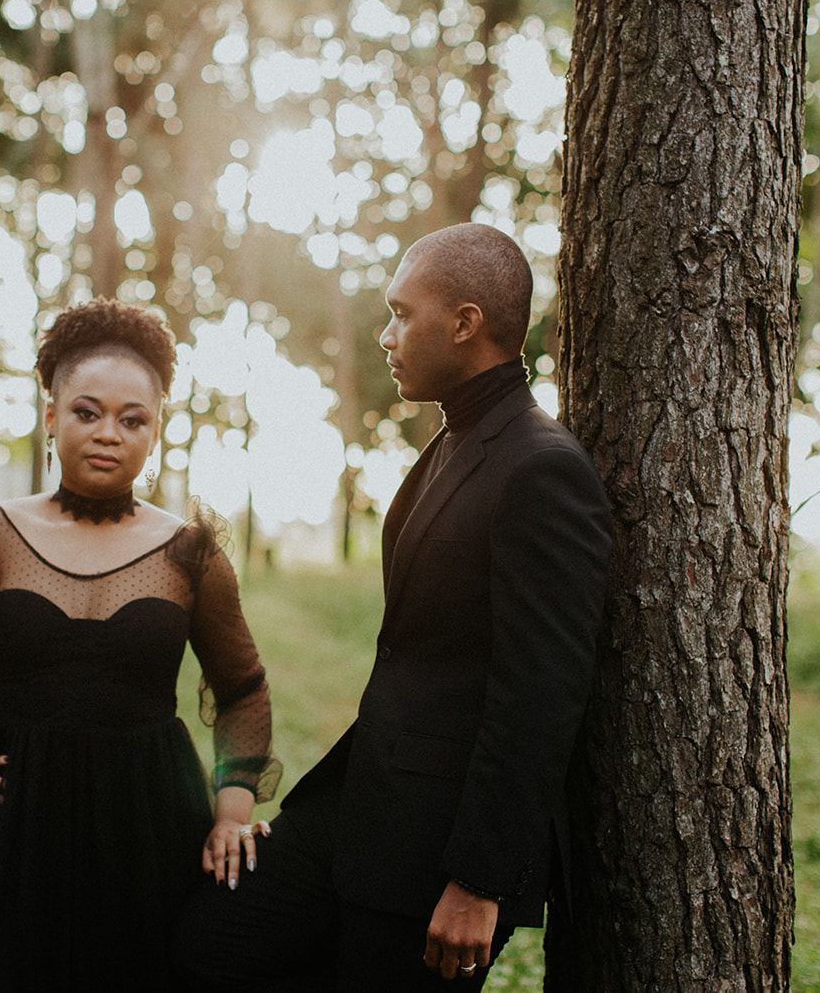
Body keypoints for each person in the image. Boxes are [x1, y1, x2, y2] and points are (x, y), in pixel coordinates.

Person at [175, 223, 613, 990]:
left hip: (438, 857)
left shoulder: (541, 470)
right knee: (208, 942)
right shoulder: (456, 439)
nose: (385, 336)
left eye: (401, 314)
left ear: (465, 323)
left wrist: (480, 880)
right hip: (362, 810)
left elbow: (540, 697)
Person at [0, 299, 279, 991]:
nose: (108, 433)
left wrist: (231, 813)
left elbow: (243, 690)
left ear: (155, 430)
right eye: (87, 412)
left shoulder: (190, 553)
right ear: (52, 416)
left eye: (132, 418)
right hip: (20, 845)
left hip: (157, 841)